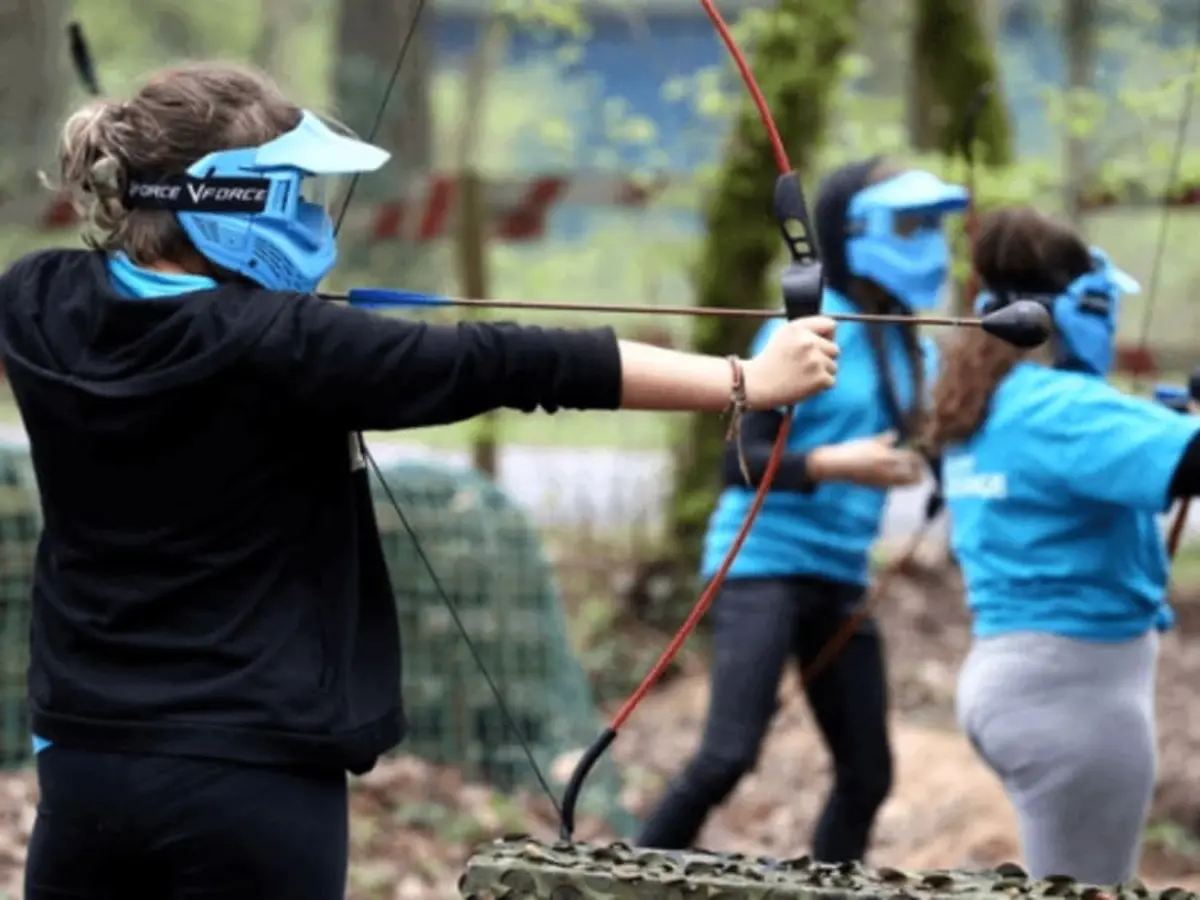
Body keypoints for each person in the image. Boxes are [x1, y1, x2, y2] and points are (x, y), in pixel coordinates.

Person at [9, 63, 841, 900]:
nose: (307, 211)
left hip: (85, 768)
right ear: (228, 201)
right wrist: (749, 380)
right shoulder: (294, 345)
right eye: (289, 191)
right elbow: (517, 362)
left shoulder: (36, 302)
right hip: (252, 779)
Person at [637, 157, 967, 861]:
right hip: (763, 563)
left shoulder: (916, 346)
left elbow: (941, 446)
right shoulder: (806, 327)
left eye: (935, 227)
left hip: (841, 573)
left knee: (868, 775)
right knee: (727, 755)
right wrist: (832, 463)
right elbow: (738, 463)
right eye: (909, 225)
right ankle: (620, 874)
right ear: (854, 231)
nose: (930, 244)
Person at [924, 206, 1200, 885]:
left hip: (1019, 680)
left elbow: (1069, 467)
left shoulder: (993, 397)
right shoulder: (1060, 410)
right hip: (1074, 705)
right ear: (1081, 308)